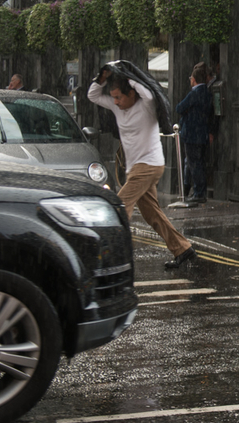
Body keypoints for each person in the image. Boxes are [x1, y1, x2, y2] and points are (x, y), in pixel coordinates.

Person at [89, 66, 196, 269]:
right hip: (135, 168)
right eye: (113, 98)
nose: (116, 102)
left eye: (119, 97)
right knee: (151, 214)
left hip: (149, 165)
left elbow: (147, 92)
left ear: (131, 93)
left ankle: (111, 256)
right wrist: (101, 78)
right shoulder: (117, 107)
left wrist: (128, 75)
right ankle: (182, 249)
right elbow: (92, 95)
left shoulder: (146, 105)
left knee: (120, 205)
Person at [176, 63, 213, 207]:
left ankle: (198, 193)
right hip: (202, 133)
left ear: (194, 79)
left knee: (194, 164)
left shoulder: (194, 93)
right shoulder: (207, 93)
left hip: (192, 134)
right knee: (200, 163)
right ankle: (199, 191)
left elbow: (179, 107)